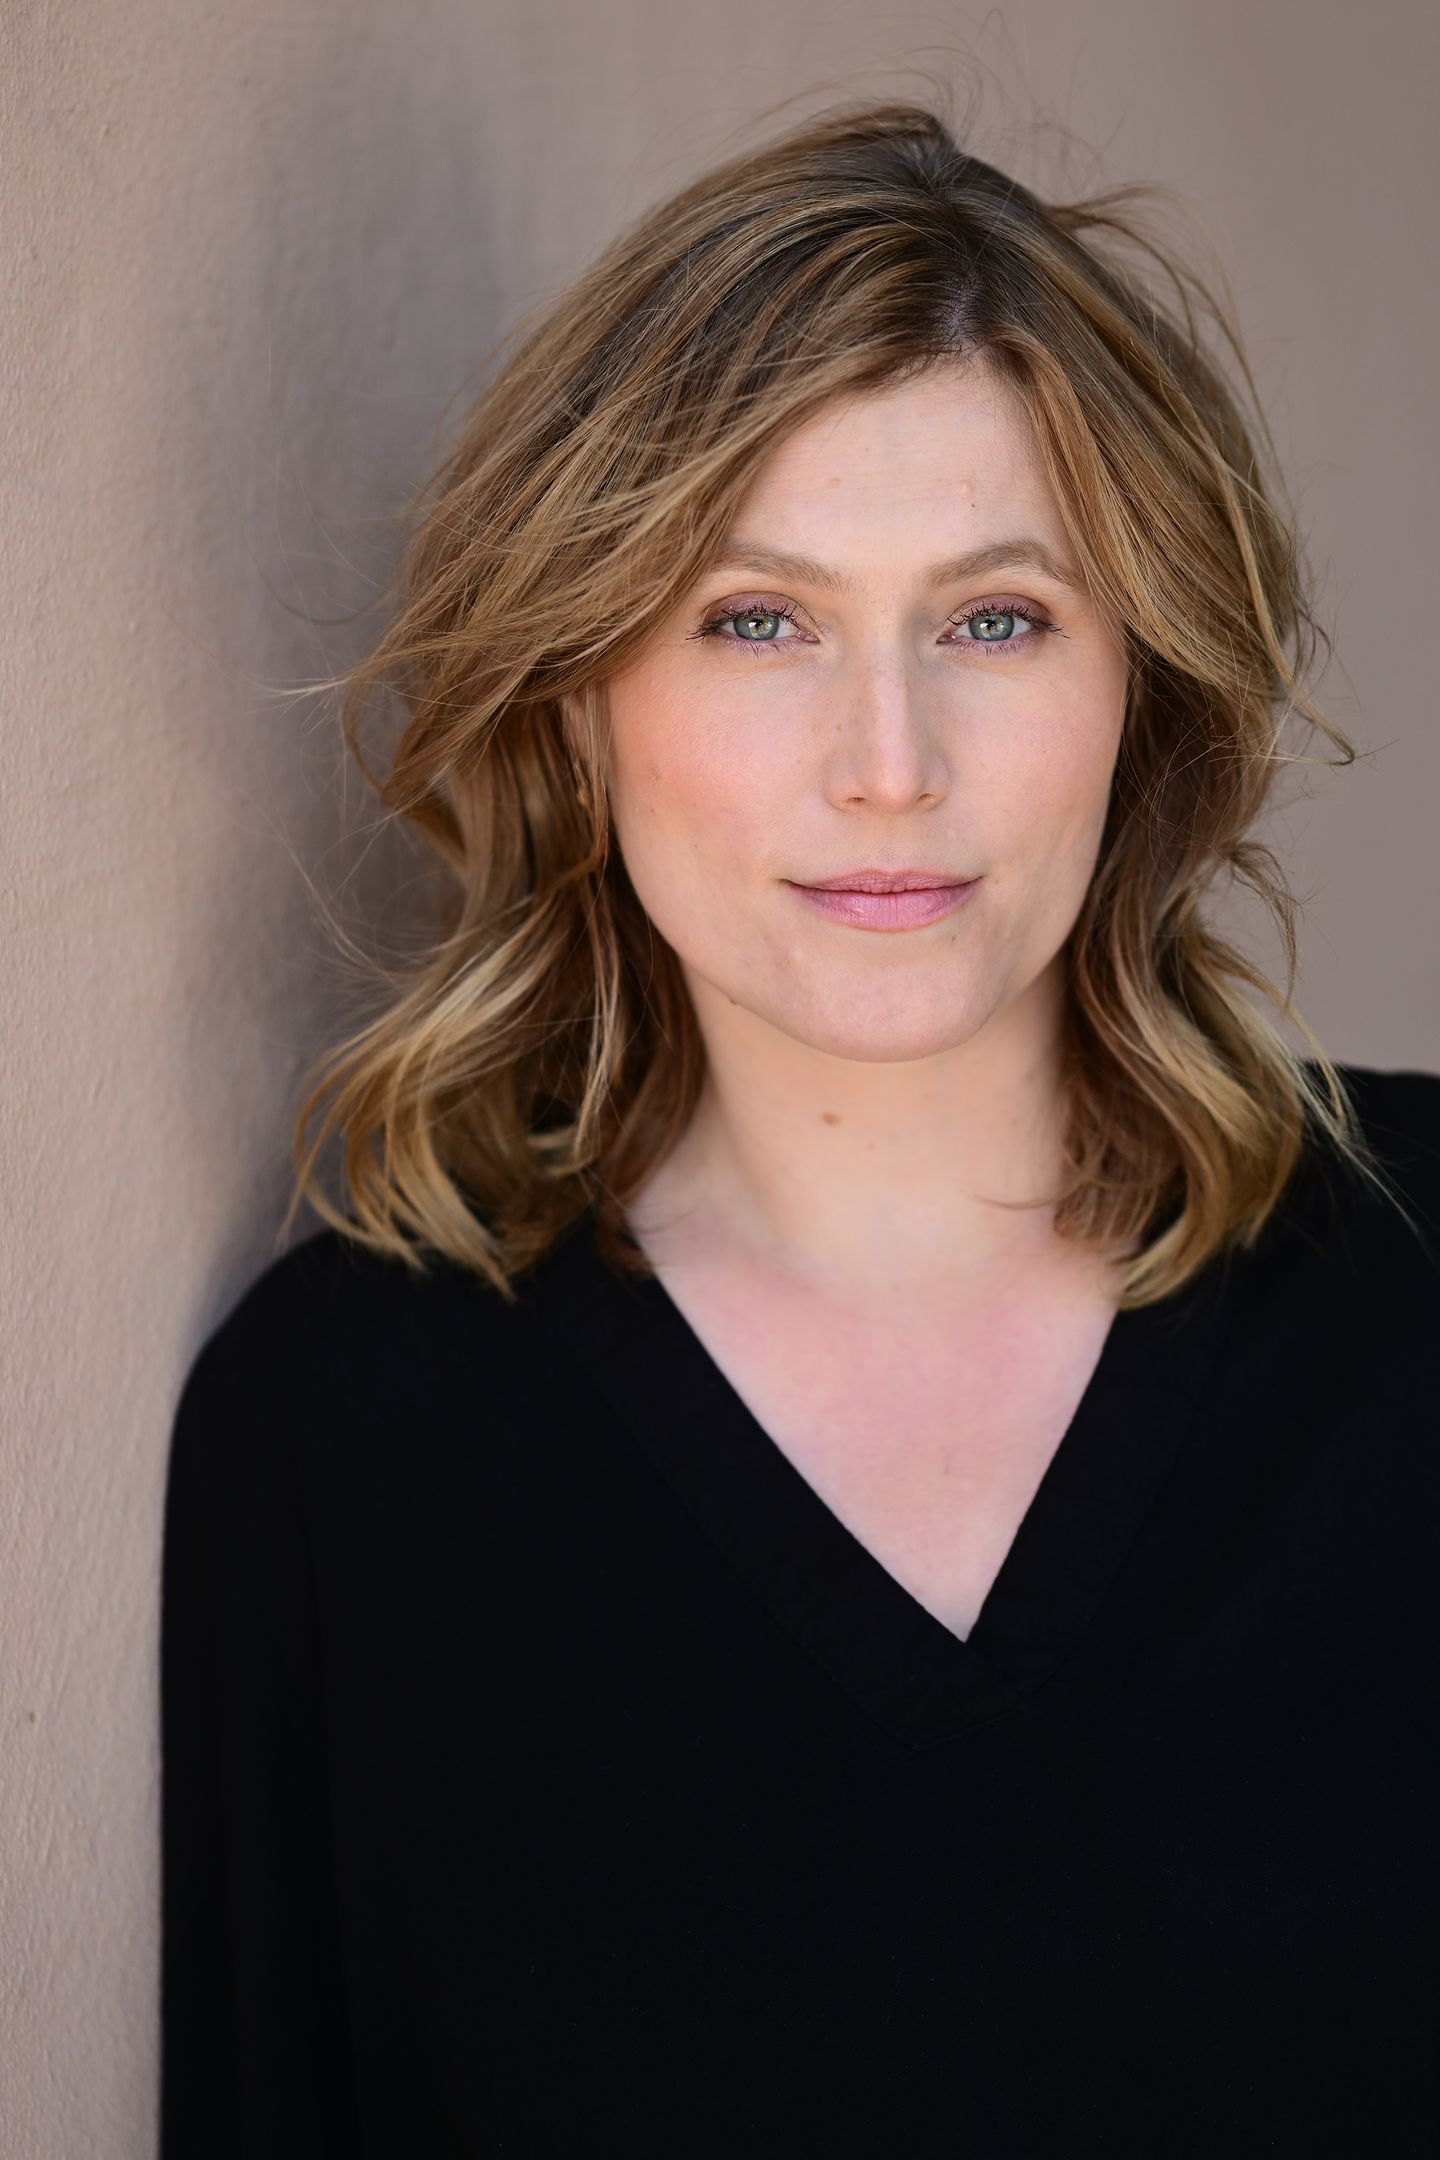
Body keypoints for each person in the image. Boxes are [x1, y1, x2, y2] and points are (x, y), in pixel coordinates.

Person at [159, 98, 1439, 2157]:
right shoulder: (337, 1440)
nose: (889, 763)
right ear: (576, 700)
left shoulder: (1417, 1290)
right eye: (757, 619)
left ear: (1144, 686)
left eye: (997, 617)